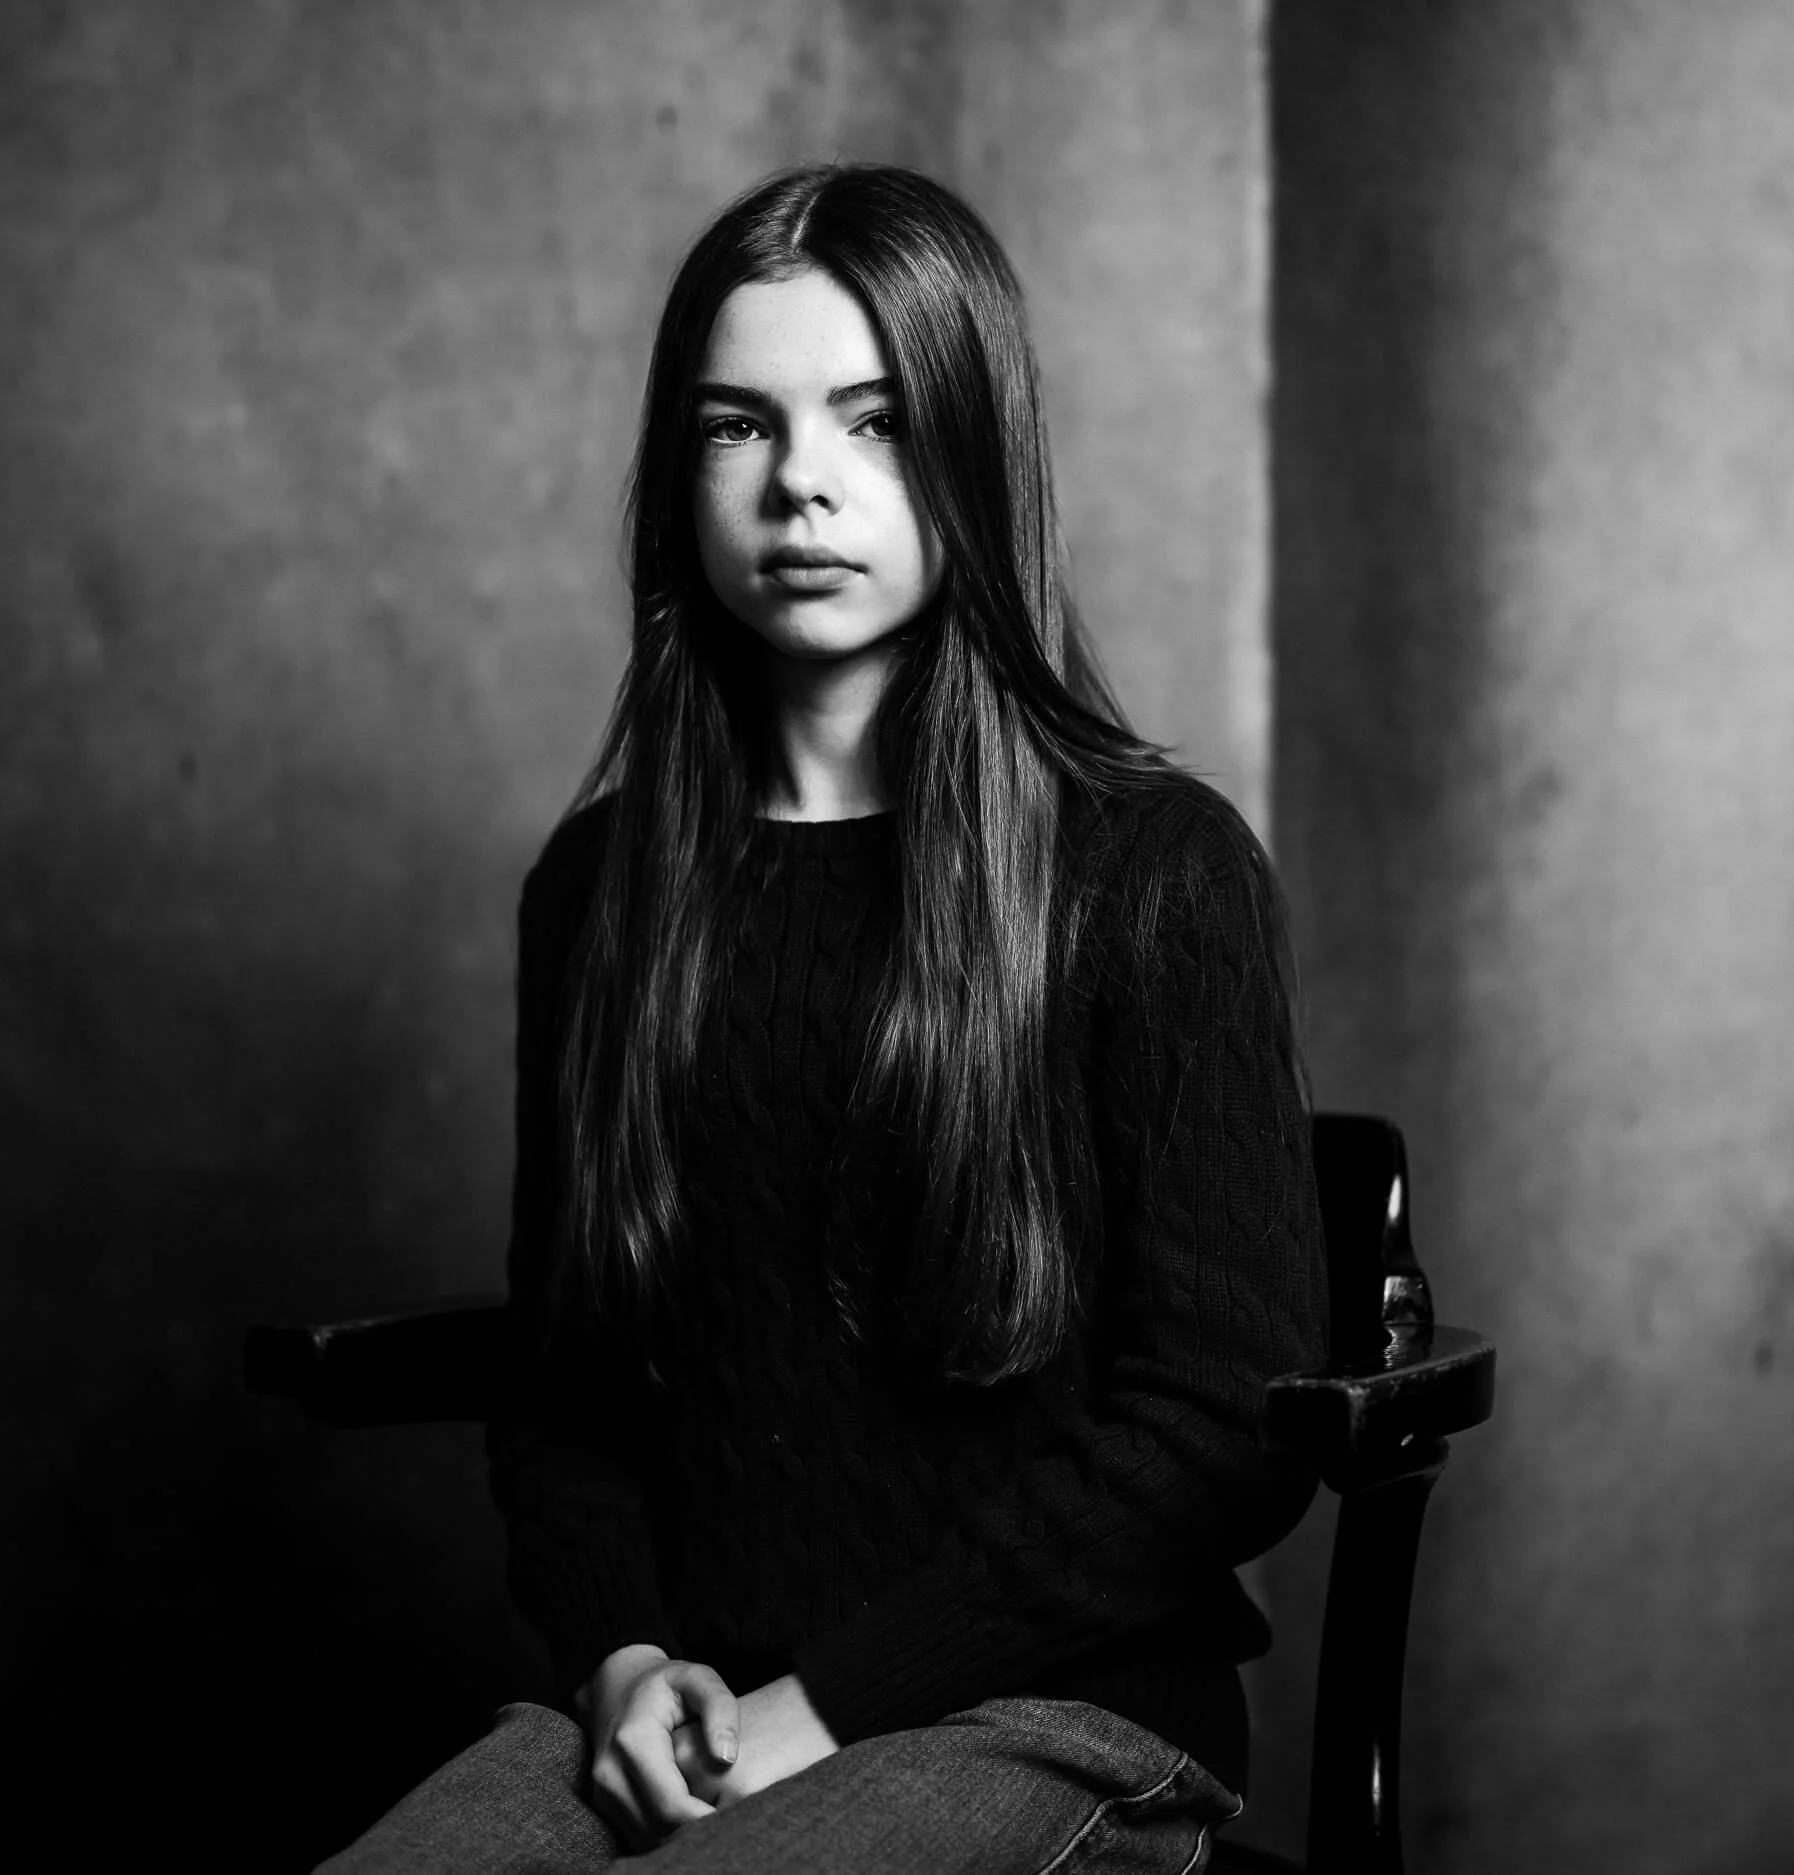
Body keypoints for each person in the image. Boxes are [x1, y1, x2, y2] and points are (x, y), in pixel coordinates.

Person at [321, 161, 1326, 1874]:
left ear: (972, 452)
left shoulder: (1154, 870)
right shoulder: (601, 890)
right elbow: (565, 1390)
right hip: (690, 1707)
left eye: (874, 421)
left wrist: (835, 1700)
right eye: (740, 426)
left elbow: (1227, 1422)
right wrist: (623, 1659)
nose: (803, 483)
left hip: (1057, 1715)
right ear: (679, 473)